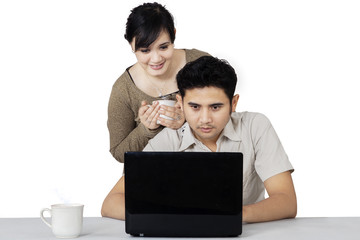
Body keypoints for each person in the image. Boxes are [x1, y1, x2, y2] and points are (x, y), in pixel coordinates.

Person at [102, 56, 297, 222]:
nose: (205, 119)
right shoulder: (168, 139)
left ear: (234, 103)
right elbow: (111, 203)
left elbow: (286, 201)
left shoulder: (256, 126)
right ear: (181, 103)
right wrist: (176, 217)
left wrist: (233, 215)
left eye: (215, 107)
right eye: (194, 107)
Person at [108, 2, 210, 163]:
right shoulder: (123, 89)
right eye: (145, 50)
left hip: (201, 165)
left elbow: (227, 119)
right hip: (149, 173)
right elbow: (119, 153)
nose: (156, 59)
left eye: (163, 47)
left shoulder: (201, 63)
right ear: (131, 45)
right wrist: (147, 129)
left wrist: (188, 121)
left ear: (173, 35)